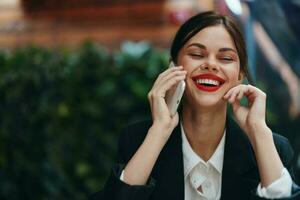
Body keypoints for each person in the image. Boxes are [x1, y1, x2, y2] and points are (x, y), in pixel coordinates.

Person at [90, 11, 300, 200]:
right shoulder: (138, 140)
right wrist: (159, 130)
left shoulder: (271, 148)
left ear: (240, 75)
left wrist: (258, 132)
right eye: (197, 54)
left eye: (225, 58)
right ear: (173, 66)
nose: (210, 64)